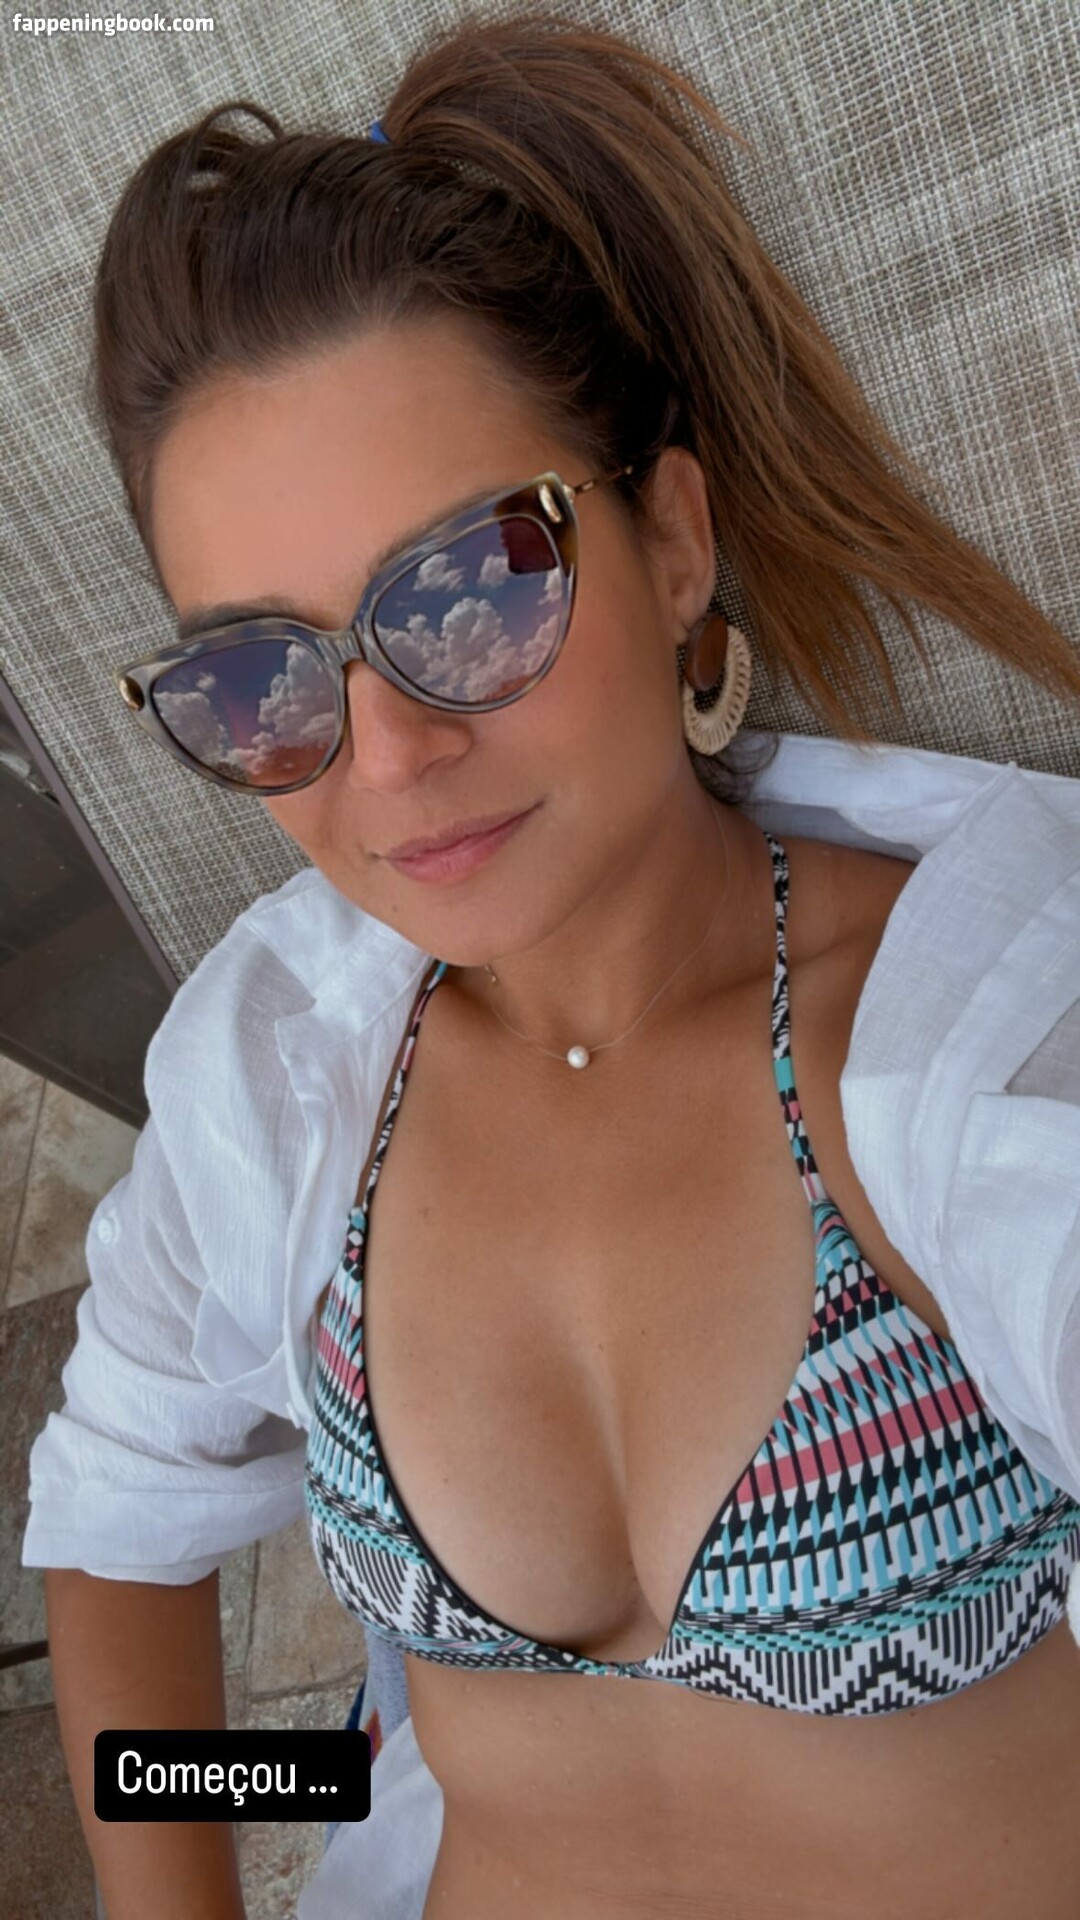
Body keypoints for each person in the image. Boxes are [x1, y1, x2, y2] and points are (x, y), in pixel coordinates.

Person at [21, 12, 1080, 1918]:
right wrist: (217, 1862)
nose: (388, 755)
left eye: (472, 587)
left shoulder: (978, 1068)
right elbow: (120, 1514)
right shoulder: (286, 1075)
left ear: (673, 543)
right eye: (261, 675)